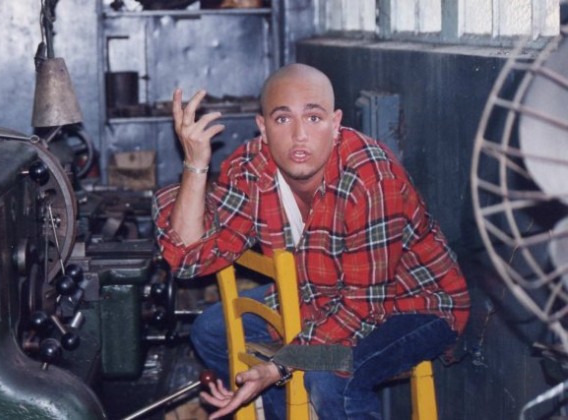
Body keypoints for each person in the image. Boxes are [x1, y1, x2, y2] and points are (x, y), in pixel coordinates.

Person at [153, 63, 470, 419]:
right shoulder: (253, 168)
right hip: (321, 293)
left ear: (335, 124)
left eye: (314, 118)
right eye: (283, 119)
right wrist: (195, 164)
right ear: (263, 128)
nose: (299, 135)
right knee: (211, 331)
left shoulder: (369, 176)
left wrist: (280, 364)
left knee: (331, 378)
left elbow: (363, 308)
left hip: (414, 304)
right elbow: (188, 258)